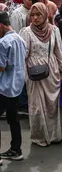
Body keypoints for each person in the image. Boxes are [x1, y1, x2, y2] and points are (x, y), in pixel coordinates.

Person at [20, 3, 62, 147]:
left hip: (52, 71)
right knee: (38, 105)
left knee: (54, 104)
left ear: (45, 15)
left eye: (38, 14)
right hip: (34, 73)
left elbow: (58, 52)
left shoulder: (54, 30)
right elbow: (24, 55)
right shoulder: (26, 32)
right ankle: (40, 136)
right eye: (32, 15)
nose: (35, 18)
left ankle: (58, 133)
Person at [0, 12, 26, 162]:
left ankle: (15, 149)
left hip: (5, 87)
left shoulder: (3, 42)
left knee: (12, 118)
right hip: (17, 85)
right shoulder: (20, 39)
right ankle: (16, 149)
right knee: (13, 119)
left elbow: (1, 67)